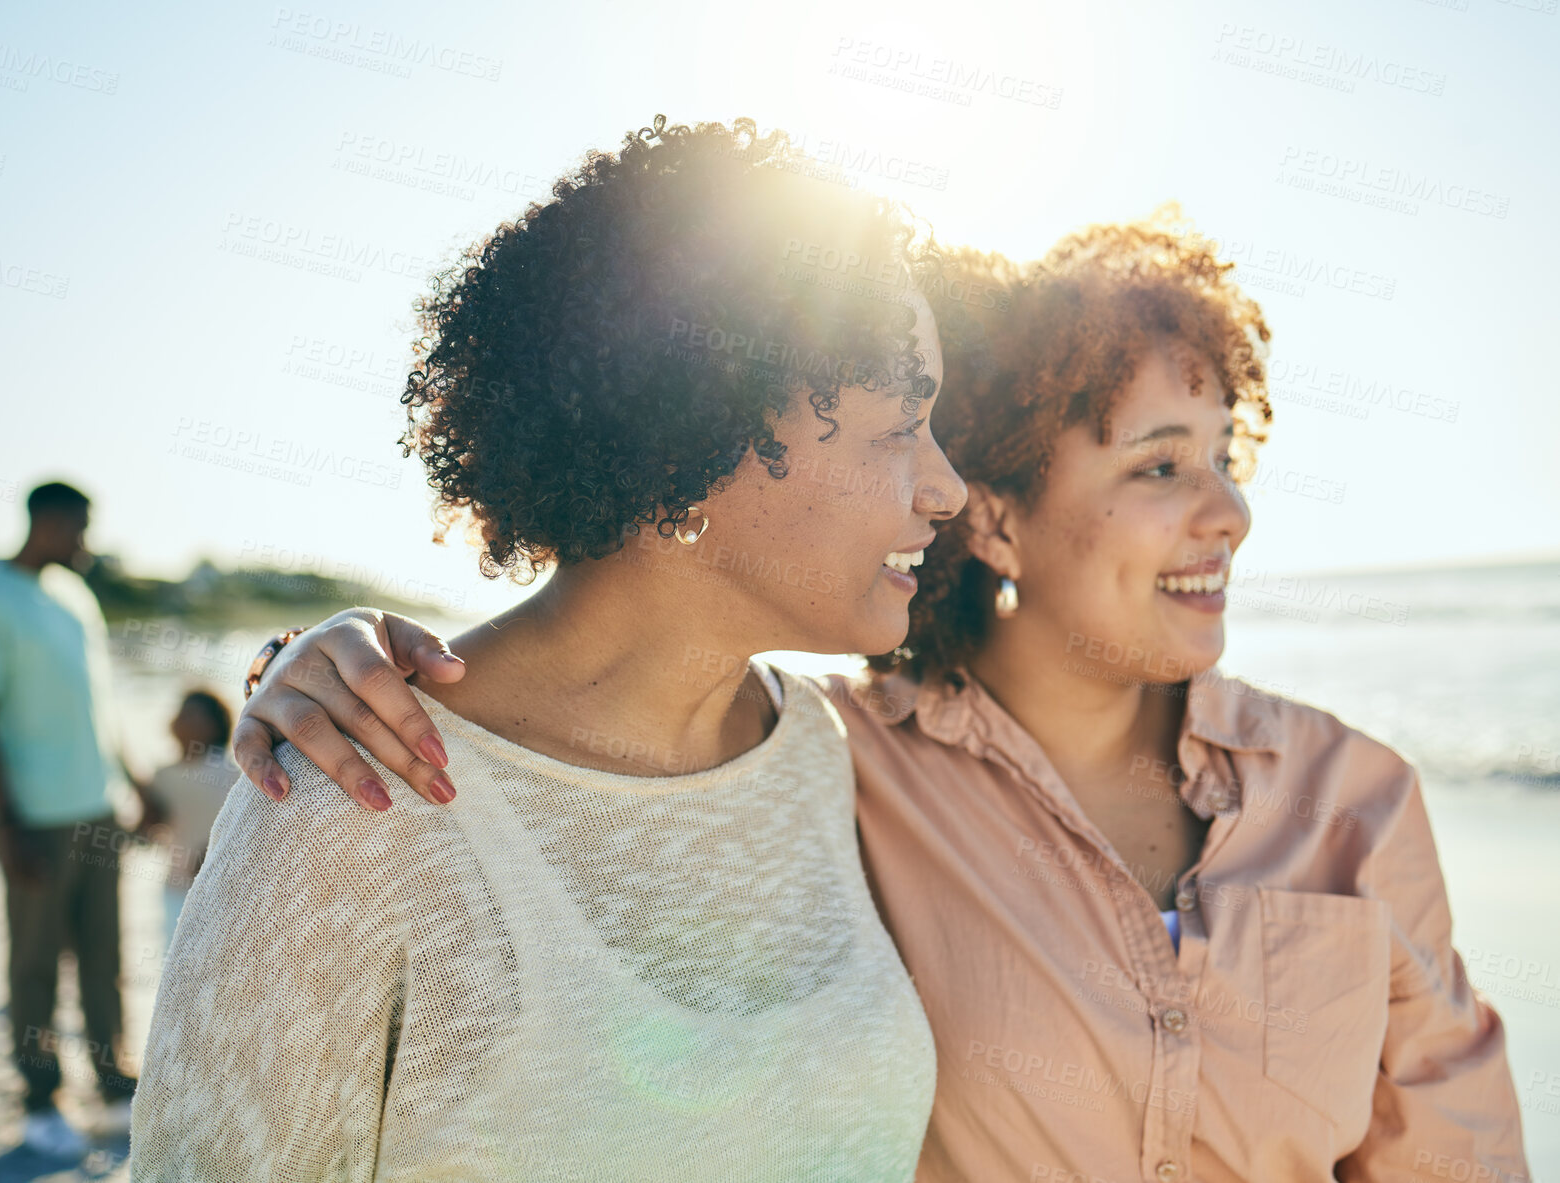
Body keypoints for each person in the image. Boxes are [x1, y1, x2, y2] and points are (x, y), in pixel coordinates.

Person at [249, 216, 1529, 1181]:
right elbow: (614, 700)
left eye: (1224, 457)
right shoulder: (829, 765)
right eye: (1158, 465)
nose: (1228, 510)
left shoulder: (1354, 798)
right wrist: (321, 657)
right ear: (1001, 519)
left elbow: (1455, 1152)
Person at [129, 115, 965, 1181]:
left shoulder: (833, 753)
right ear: (694, 435)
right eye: (902, 425)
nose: (947, 487)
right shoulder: (352, 804)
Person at [0, 480, 164, 1158]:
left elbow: (99, 702)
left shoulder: (77, 595)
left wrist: (136, 779)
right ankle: (40, 1094)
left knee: (104, 954)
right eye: (79, 528)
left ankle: (109, 1074)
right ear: (47, 521)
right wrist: (4, 820)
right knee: (35, 961)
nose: (85, 543)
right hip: (33, 815)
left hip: (98, 806)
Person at [138, 689, 236, 950]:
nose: (182, 718)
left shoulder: (230, 772)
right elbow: (145, 834)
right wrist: (146, 812)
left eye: (193, 713)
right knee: (177, 966)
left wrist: (213, 850)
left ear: (215, 726)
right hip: (176, 889)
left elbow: (247, 828)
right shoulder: (162, 777)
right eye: (181, 711)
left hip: (225, 891)